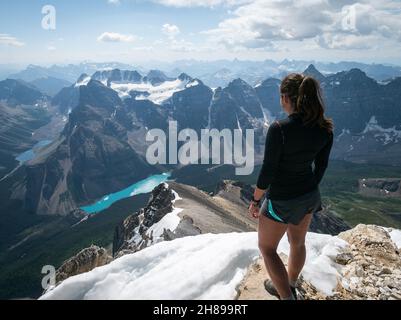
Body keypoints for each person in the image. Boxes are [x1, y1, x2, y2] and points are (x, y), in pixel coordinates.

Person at [248, 73, 334, 300]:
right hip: (309, 196)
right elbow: (321, 167)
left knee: (267, 249)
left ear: (285, 98)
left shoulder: (279, 128)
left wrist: (256, 200)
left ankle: (286, 296)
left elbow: (267, 171)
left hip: (281, 200)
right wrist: (307, 188)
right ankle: (291, 282)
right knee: (298, 242)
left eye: (280, 96)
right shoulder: (325, 128)